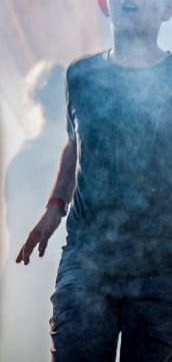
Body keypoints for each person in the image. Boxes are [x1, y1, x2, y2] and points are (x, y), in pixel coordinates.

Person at [14, 0, 172, 362]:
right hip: (88, 262)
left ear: (170, 6)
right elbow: (76, 144)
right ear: (104, 1)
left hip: (166, 268)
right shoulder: (81, 75)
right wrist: (54, 208)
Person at [3, 60, 69, 359]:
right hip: (62, 280)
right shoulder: (79, 160)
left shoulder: (25, 158)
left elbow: (15, 227)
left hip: (29, 282)